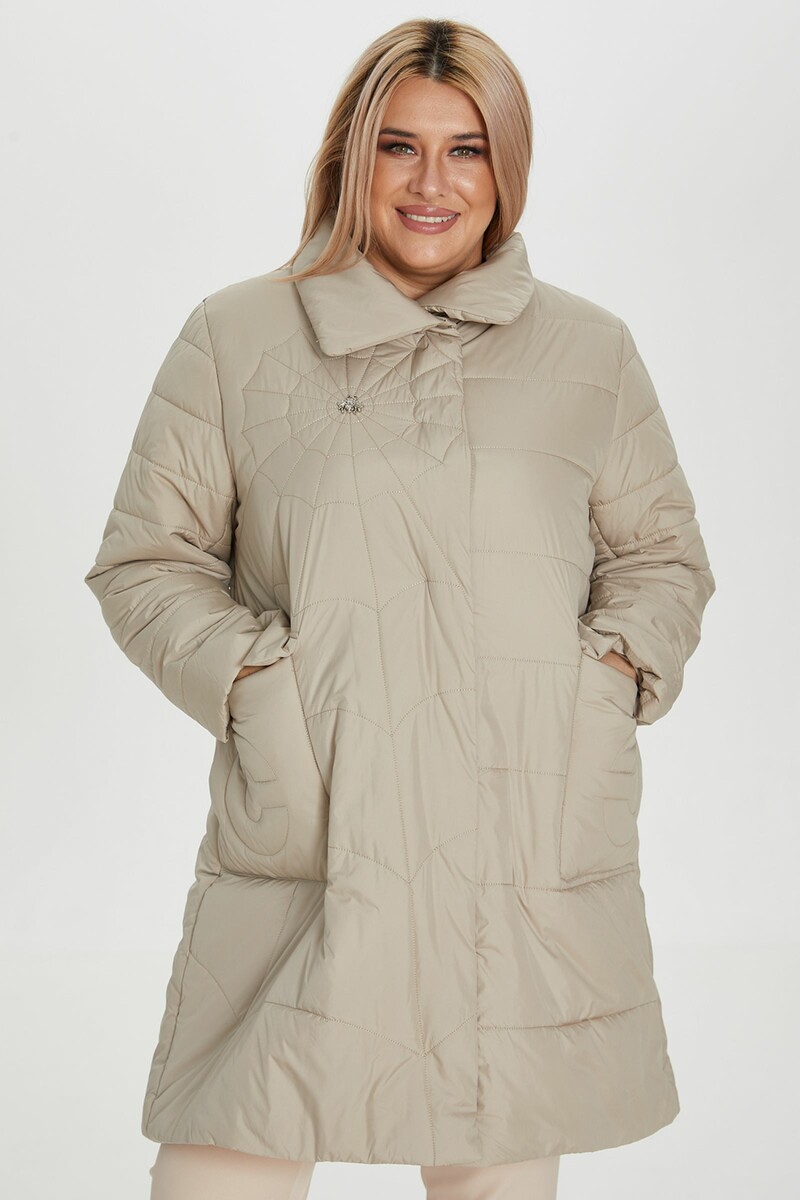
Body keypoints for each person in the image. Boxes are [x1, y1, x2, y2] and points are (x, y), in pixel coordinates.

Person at [84, 17, 716, 1200]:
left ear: (505, 166)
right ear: (348, 157)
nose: (432, 183)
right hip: (318, 828)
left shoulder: (588, 351)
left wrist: (602, 682)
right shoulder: (235, 335)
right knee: (225, 1159)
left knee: (496, 1146)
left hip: (519, 831)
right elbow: (147, 560)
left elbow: (659, 557)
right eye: (398, 146)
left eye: (466, 149)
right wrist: (257, 684)